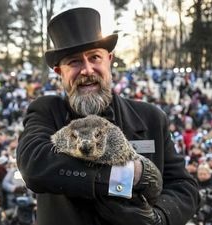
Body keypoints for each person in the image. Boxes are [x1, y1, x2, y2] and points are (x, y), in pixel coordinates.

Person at [16, 7, 199, 225]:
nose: (87, 70)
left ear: (109, 59)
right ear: (59, 71)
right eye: (74, 62)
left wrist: (159, 218)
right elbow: (34, 164)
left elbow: (184, 186)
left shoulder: (150, 117)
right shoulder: (46, 111)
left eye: (94, 57)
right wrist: (127, 176)